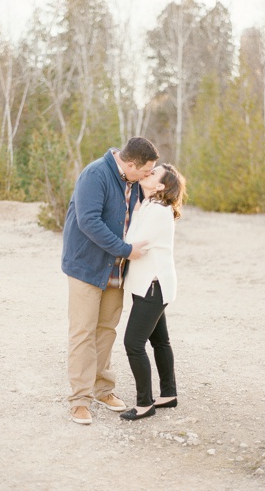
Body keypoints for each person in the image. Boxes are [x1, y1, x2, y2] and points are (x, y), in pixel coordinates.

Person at [61, 137, 159, 425]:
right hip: (87, 267)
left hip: (116, 271)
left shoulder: (132, 180)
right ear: (130, 164)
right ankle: (79, 400)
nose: (146, 176)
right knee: (83, 332)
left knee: (106, 330)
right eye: (144, 171)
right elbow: (88, 221)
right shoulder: (95, 175)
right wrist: (126, 250)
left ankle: (103, 389)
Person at [119, 163, 187, 421]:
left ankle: (144, 404)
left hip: (153, 285)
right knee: (159, 341)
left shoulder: (157, 210)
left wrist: (134, 214)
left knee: (133, 343)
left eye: (154, 173)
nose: (148, 172)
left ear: (160, 186)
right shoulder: (150, 206)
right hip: (150, 284)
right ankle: (168, 394)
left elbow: (131, 243)